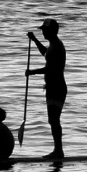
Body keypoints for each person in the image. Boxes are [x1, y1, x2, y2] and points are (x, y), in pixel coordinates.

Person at [26, 18, 66, 159]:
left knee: (54, 120)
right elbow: (45, 53)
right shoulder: (52, 45)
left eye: (44, 30)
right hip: (52, 87)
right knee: (52, 120)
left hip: (57, 87)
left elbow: (50, 69)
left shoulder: (57, 46)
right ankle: (57, 150)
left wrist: (32, 72)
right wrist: (35, 39)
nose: (43, 32)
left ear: (52, 31)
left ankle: (58, 151)